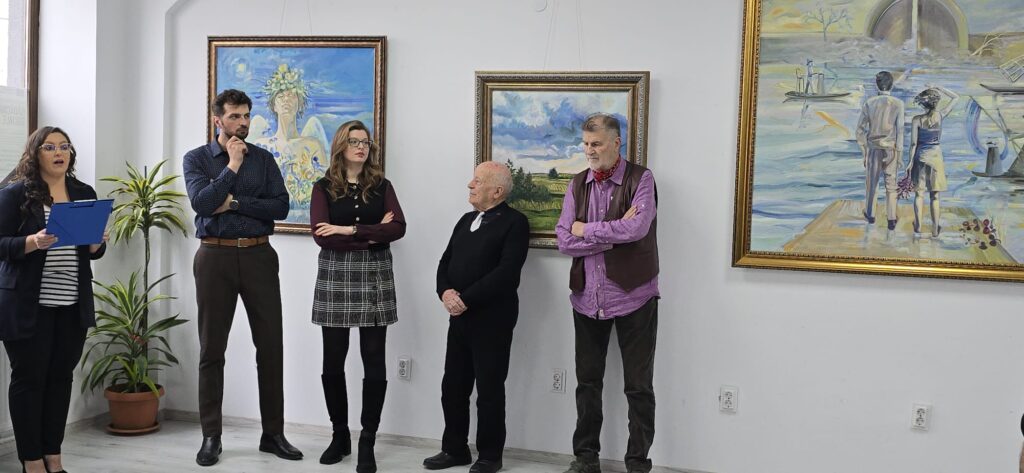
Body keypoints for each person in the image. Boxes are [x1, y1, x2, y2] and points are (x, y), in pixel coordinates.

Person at [183, 89, 299, 466]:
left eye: (247, 115)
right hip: (213, 256)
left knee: (271, 346)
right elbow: (202, 204)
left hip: (258, 255)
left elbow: (280, 206)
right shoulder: (197, 159)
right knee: (211, 350)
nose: (243, 123)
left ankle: (273, 434)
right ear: (218, 119)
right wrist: (232, 166)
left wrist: (233, 203)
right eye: (235, 116)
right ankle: (211, 437)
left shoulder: (263, 159)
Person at [0, 126, 108, 473]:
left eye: (64, 146)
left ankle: (53, 458)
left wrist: (96, 243)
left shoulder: (83, 192)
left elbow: (91, 251)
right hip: (27, 306)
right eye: (49, 147)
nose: (59, 152)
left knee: (61, 380)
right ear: (35, 154)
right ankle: (31, 461)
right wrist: (32, 242)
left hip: (71, 304)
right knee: (29, 381)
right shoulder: (14, 194)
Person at [556, 113, 659, 473]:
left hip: (635, 297)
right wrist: (611, 237)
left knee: (639, 387)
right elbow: (564, 240)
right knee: (587, 384)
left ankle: (638, 463)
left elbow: (638, 228)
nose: (590, 150)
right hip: (587, 299)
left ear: (616, 143)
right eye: (586, 144)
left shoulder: (642, 178)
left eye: (596, 144)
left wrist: (586, 229)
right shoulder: (577, 184)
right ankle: (586, 459)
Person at [309, 120, 406, 472]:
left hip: (375, 276)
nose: (362, 147)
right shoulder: (323, 187)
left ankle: (368, 440)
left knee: (374, 359)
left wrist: (348, 229)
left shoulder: (382, 186)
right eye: (354, 141)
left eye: (365, 142)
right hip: (335, 275)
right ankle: (340, 436)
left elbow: (398, 228)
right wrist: (372, 236)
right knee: (333, 360)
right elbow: (321, 236)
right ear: (341, 146)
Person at [423, 162, 529, 473]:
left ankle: (490, 455)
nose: (470, 184)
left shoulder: (515, 223)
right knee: (453, 386)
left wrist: (465, 299)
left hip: (493, 319)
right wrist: (445, 293)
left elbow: (507, 274)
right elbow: (445, 262)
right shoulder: (466, 220)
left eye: (478, 181)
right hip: (459, 317)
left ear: (497, 191)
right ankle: (454, 449)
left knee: (489, 389)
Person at [253, 63, 329, 211]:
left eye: (292, 95)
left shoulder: (313, 145)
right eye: (281, 96)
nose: (286, 100)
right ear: (274, 105)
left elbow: (324, 189)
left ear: (300, 104)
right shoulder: (261, 146)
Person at [906, 85, 958, 237]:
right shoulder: (940, 116)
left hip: (920, 156)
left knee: (919, 194)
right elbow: (956, 97)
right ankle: (935, 229)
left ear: (923, 103)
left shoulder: (917, 120)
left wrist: (910, 162)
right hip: (935, 157)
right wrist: (940, 88)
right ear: (936, 103)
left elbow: (913, 144)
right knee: (935, 195)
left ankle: (918, 226)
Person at [856, 71, 906, 230]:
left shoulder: (869, 103)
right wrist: (900, 154)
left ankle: (870, 215)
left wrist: (864, 151)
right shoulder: (898, 104)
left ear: (877, 85)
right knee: (891, 185)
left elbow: (860, 130)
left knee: (872, 184)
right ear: (892, 85)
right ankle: (891, 219)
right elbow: (900, 131)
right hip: (891, 149)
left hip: (873, 148)